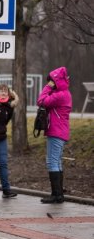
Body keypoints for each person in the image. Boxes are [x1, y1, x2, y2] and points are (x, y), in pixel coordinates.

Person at [37, 66, 72, 204]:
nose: (50, 83)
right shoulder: (64, 93)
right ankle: (58, 194)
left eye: (52, 81)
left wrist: (47, 87)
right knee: (57, 161)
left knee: (52, 162)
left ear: (56, 81)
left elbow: (41, 101)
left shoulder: (60, 95)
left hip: (56, 132)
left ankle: (56, 195)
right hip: (60, 131)